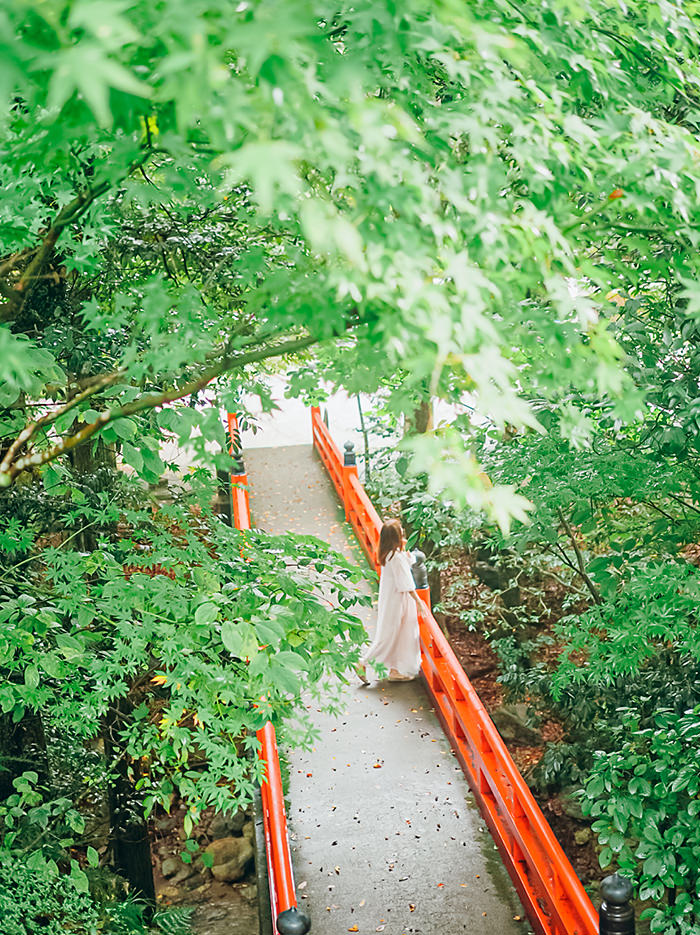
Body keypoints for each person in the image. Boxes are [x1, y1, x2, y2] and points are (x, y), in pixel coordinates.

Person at [357, 519, 427, 683]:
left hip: (391, 599)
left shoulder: (389, 554)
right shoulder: (396, 557)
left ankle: (395, 669)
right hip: (398, 601)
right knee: (388, 636)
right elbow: (406, 584)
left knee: (398, 634)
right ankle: (363, 662)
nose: (403, 531)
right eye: (400, 530)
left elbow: (402, 567)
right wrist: (419, 602)